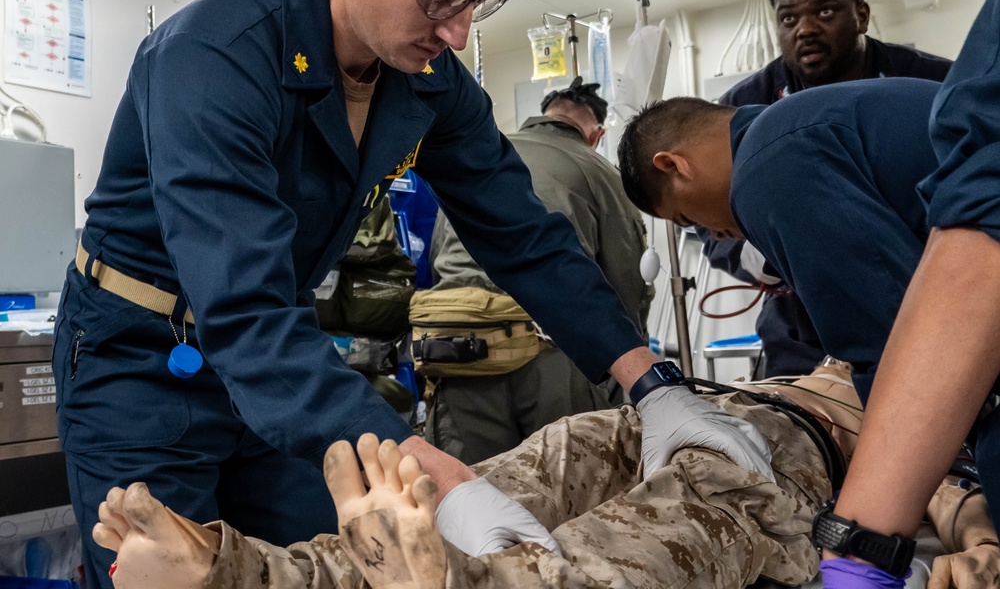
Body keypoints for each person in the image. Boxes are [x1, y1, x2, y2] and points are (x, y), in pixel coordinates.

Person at [53, 0, 772, 589]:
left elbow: (523, 234)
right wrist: (441, 477)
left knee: (321, 566)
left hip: (279, 358)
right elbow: (244, 307)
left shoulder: (427, 79)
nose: (457, 29)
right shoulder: (216, 55)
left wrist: (650, 382)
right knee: (165, 571)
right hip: (142, 356)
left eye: (480, 2)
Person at [92, 360, 1000, 589]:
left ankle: (241, 573)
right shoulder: (885, 333)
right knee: (487, 489)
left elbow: (946, 494)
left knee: (687, 516)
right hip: (683, 408)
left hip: (793, 448)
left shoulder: (955, 405)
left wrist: (979, 544)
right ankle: (236, 571)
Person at [816, 0, 1000, 587]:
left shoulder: (783, 151)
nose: (806, 28)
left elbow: (979, 245)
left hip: (876, 398)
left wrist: (857, 549)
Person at [700, 0, 951, 377]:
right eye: (789, 19)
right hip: (800, 324)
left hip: (931, 293)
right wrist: (759, 254)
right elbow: (713, 222)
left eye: (826, 11)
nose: (806, 30)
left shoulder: (932, 83)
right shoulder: (740, 107)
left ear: (863, 15)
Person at [617, 79, 943, 405]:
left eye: (687, 218)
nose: (714, 234)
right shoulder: (789, 123)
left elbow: (891, 342)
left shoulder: (766, 166)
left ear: (672, 164)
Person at [420, 76, 653, 463]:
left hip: (456, 347)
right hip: (550, 353)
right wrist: (630, 366)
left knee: (473, 492)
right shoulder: (597, 169)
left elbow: (437, 258)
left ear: (543, 116)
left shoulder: (479, 158)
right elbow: (626, 280)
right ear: (596, 134)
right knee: (570, 494)